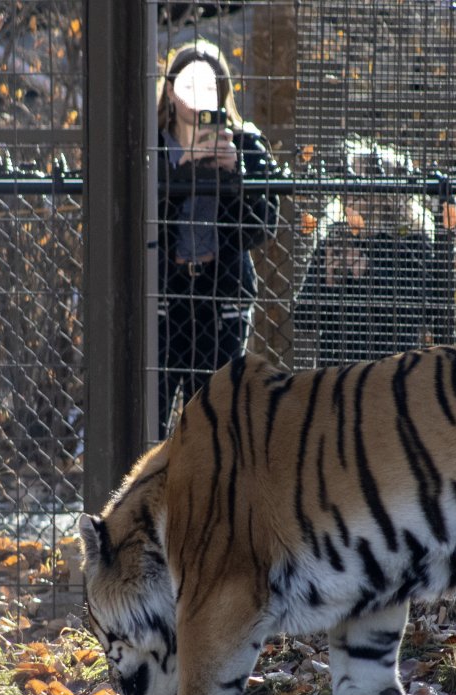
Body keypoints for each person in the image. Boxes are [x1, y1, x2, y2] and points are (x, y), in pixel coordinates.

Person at [156, 39, 281, 434]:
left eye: (209, 89)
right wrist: (181, 175)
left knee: (216, 425)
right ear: (171, 92)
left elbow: (260, 227)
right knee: (150, 417)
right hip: (162, 296)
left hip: (220, 297)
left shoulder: (244, 143)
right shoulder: (152, 145)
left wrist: (233, 176)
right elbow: (141, 226)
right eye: (188, 88)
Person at [294, 137, 455, 365]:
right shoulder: (335, 238)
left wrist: (367, 272)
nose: (346, 190)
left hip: (391, 368)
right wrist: (328, 285)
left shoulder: (413, 242)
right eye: (345, 179)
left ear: (385, 193)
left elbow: (424, 314)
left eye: (355, 182)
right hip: (336, 369)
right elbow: (302, 318)